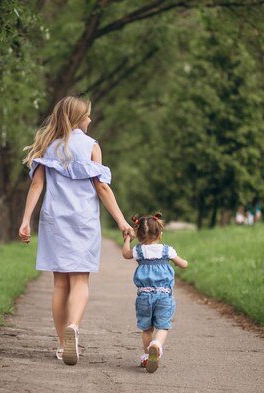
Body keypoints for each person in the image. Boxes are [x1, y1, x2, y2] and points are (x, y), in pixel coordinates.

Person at [18, 96, 134, 366]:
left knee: (60, 283)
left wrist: (25, 220)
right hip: (83, 220)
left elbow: (36, 186)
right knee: (80, 281)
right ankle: (74, 327)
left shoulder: (48, 146)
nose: (90, 120)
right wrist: (121, 221)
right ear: (79, 118)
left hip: (54, 220)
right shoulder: (92, 146)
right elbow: (102, 187)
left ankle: (62, 344)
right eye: (88, 115)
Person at [122, 212, 188, 373]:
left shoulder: (138, 250)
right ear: (160, 235)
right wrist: (181, 262)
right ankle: (157, 345)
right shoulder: (167, 250)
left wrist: (127, 240)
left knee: (146, 329)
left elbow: (125, 254)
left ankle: (147, 356)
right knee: (163, 326)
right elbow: (183, 264)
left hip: (144, 296)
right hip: (164, 295)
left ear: (138, 235)